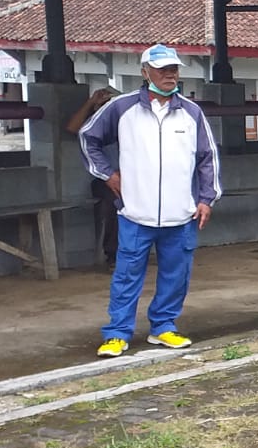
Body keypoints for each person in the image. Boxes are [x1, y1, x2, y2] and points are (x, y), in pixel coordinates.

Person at [78, 45, 220, 357]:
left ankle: (164, 327)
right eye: (162, 69)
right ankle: (117, 334)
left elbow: (207, 157)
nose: (170, 74)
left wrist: (207, 198)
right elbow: (88, 137)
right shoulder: (121, 108)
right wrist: (107, 174)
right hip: (135, 213)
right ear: (145, 72)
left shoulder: (191, 112)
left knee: (175, 274)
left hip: (180, 214)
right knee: (127, 275)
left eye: (174, 68)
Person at [67, 85, 121, 268]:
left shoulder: (125, 123)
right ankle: (113, 254)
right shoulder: (93, 125)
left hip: (132, 177)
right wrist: (91, 102)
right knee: (115, 202)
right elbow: (72, 127)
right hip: (104, 179)